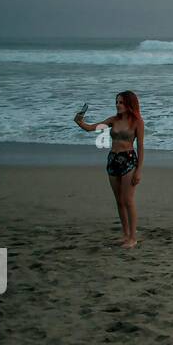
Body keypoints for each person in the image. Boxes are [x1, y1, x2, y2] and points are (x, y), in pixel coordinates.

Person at [74, 91, 145, 248]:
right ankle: (125, 235)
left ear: (129, 104)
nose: (118, 105)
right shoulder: (113, 120)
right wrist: (79, 122)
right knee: (119, 201)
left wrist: (139, 170)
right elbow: (92, 128)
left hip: (128, 160)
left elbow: (140, 147)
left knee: (128, 200)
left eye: (121, 102)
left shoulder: (137, 122)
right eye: (117, 102)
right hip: (113, 159)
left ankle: (133, 237)